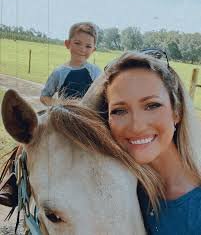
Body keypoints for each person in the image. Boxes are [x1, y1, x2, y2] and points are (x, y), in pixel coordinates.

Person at [82, 51, 201, 234]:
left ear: (176, 112)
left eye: (152, 105)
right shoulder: (122, 184)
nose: (136, 126)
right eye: (119, 111)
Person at [40, 22, 101, 106]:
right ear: (67, 44)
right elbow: (44, 97)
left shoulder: (96, 72)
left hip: (88, 117)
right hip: (65, 117)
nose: (82, 49)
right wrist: (63, 103)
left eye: (88, 46)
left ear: (93, 50)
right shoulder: (59, 72)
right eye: (77, 43)